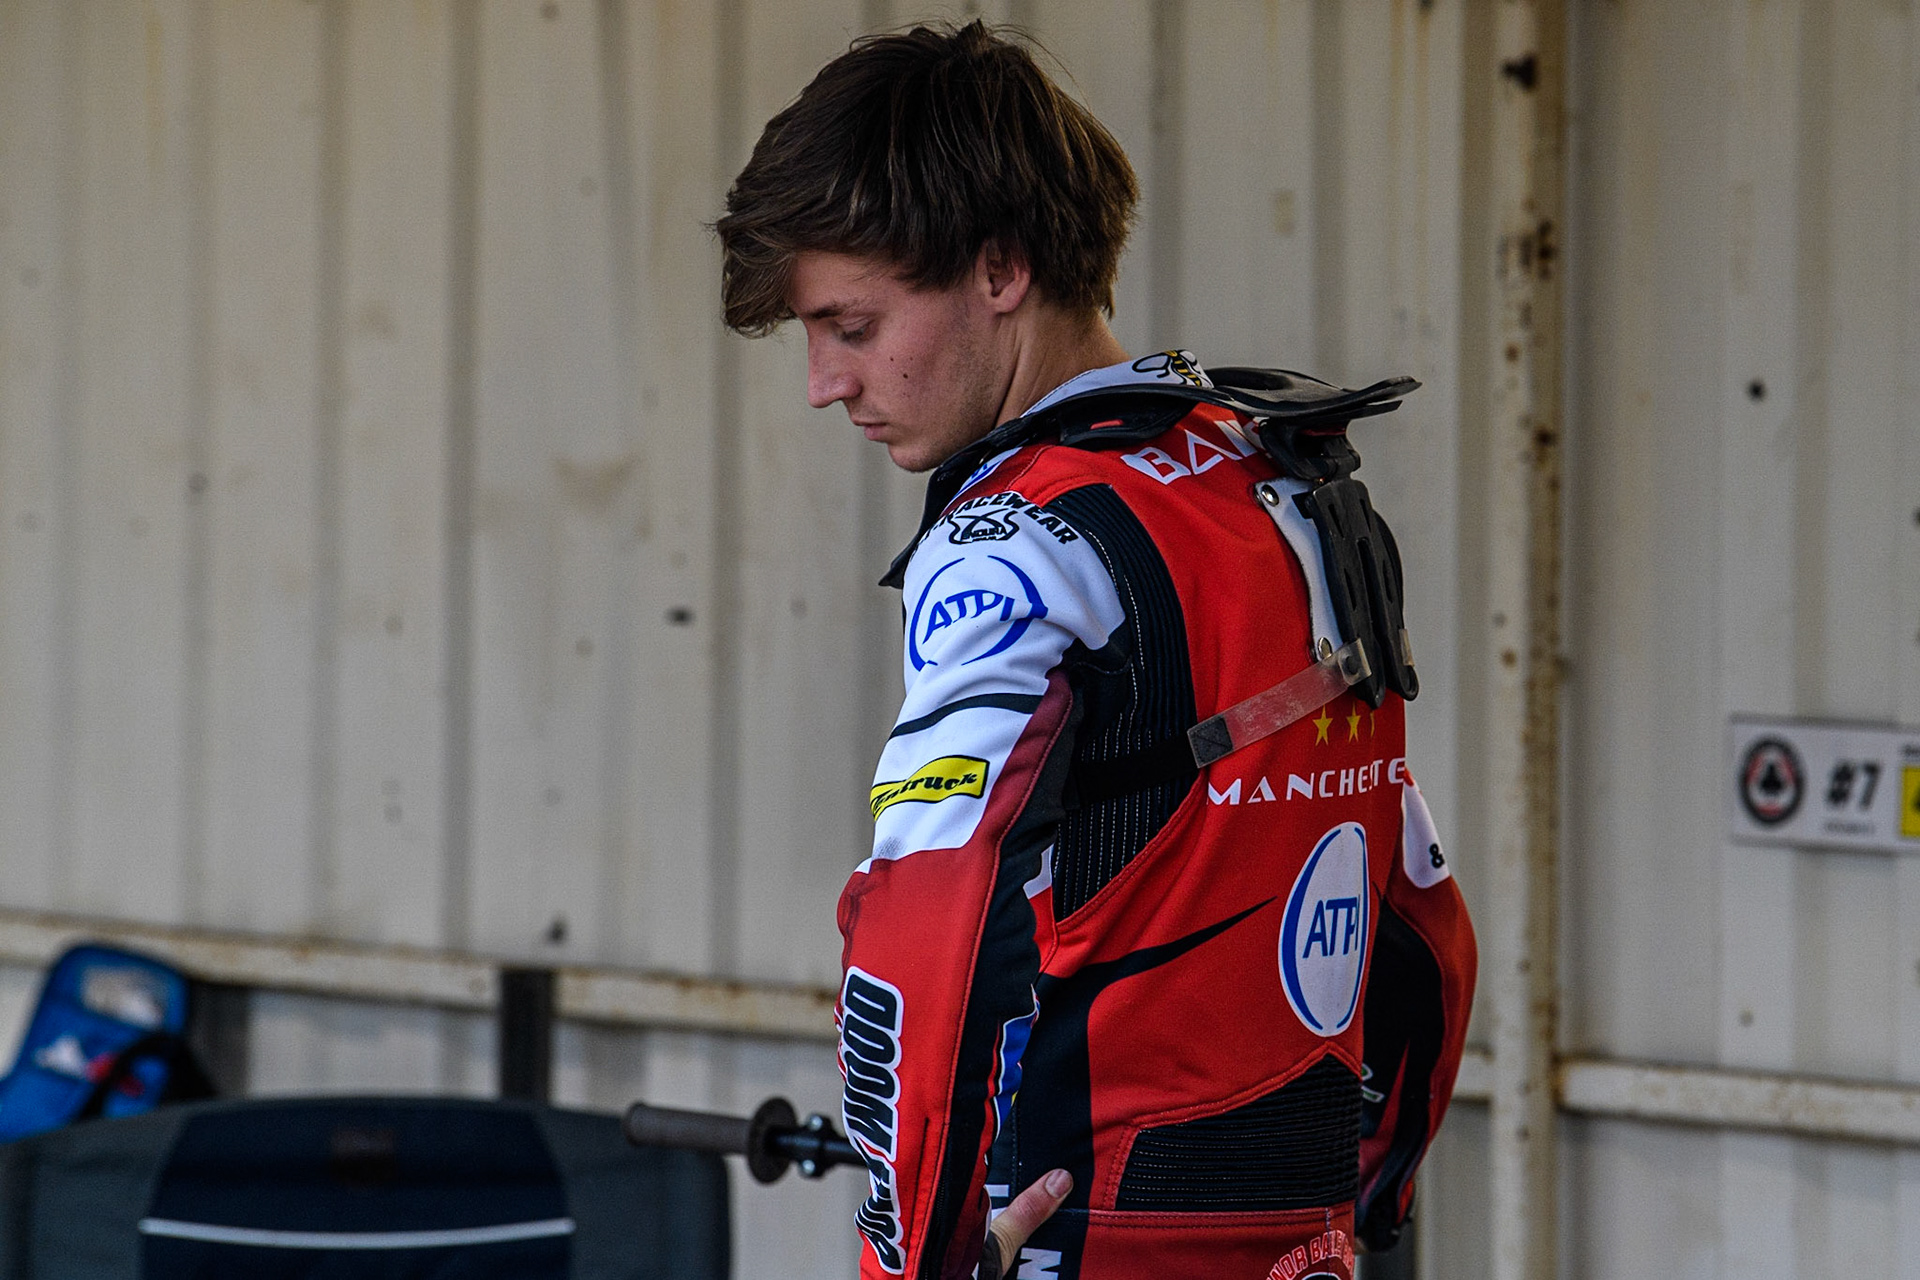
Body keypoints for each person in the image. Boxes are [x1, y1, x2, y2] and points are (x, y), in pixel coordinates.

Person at [717, 22, 1476, 1280]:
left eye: (851, 324)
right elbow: (1411, 888)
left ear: (1001, 267)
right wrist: (1376, 1185)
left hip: (1080, 1229)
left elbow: (927, 933)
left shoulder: (1010, 542)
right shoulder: (1279, 478)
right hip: (1303, 1229)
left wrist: (912, 1258)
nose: (822, 381)